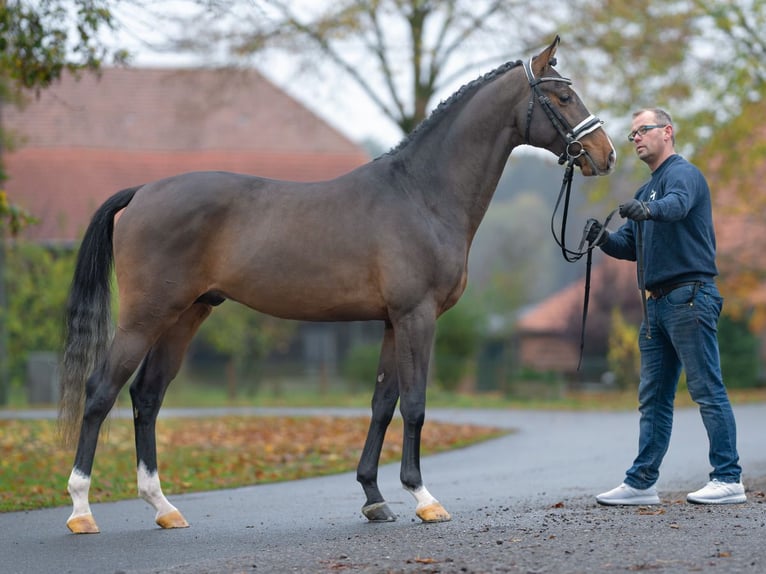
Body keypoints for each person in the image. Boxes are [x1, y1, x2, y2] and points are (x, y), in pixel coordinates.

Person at [586, 107, 745, 505]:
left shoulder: (683, 175)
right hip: (655, 306)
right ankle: (641, 483)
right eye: (633, 134)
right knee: (653, 397)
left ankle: (728, 478)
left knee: (707, 389)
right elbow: (629, 245)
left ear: (667, 132)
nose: (637, 137)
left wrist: (649, 211)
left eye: (644, 130)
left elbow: (675, 207)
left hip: (690, 297)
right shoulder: (646, 189)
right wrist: (603, 238)